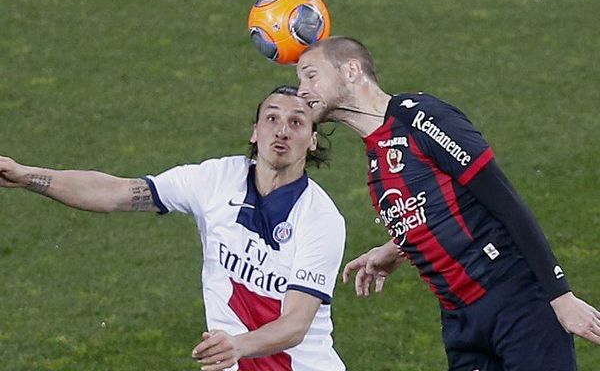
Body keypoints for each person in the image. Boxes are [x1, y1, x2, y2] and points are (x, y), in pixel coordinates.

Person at [295, 36, 600, 370]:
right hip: (461, 324)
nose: (302, 90)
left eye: (311, 76)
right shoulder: (376, 154)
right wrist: (399, 247)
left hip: (517, 303)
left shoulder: (423, 119)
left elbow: (505, 202)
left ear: (351, 70)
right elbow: (437, 203)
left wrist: (560, 296)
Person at [0, 86, 347, 371]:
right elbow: (117, 193)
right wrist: (28, 176)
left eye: (297, 122)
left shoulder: (320, 219)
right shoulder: (216, 180)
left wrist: (237, 345)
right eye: (271, 118)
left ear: (313, 141)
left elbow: (295, 324)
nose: (282, 130)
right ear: (255, 131)